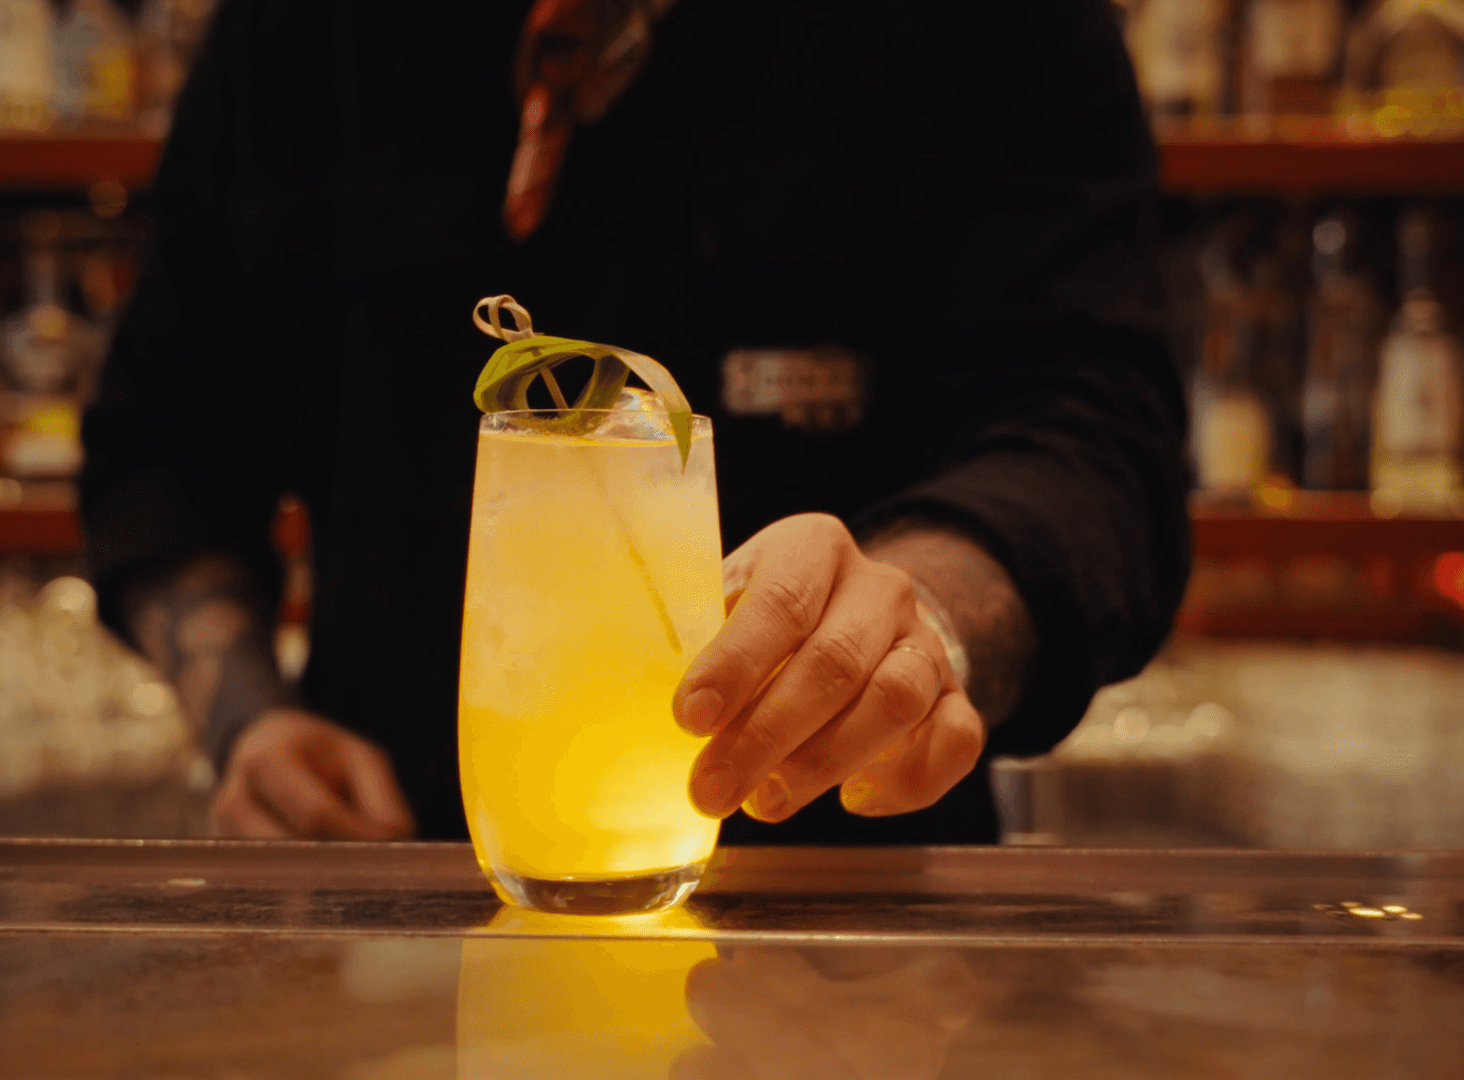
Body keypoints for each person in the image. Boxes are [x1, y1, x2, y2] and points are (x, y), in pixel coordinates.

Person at [80, 0, 1190, 845]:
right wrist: (247, 716)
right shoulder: (297, 30)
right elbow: (161, 444)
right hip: (395, 898)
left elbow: (1095, 439)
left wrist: (921, 620)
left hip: (855, 932)